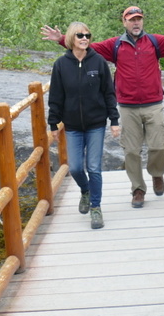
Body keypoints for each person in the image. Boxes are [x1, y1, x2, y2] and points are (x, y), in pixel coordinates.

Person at [41, 7, 164, 208]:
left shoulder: (154, 42)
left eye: (139, 19)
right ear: (124, 22)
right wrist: (61, 38)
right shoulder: (115, 45)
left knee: (159, 145)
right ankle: (138, 189)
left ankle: (157, 174)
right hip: (127, 106)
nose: (136, 23)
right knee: (131, 151)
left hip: (154, 104)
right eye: (132, 20)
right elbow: (85, 45)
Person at [46, 21, 120, 230]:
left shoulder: (98, 62)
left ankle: (96, 207)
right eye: (80, 35)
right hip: (73, 126)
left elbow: (109, 93)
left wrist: (114, 121)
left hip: (96, 123)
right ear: (71, 38)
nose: (85, 38)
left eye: (87, 35)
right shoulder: (61, 65)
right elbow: (56, 96)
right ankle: (85, 191)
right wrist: (53, 123)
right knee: (76, 167)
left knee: (94, 167)